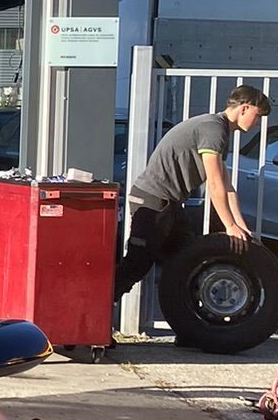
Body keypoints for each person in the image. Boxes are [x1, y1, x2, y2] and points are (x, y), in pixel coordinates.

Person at [113, 83, 269, 299]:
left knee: (188, 258)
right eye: (258, 115)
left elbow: (227, 186)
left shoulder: (219, 129)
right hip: (152, 200)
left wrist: (240, 226)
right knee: (138, 263)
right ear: (244, 108)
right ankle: (95, 320)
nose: (258, 123)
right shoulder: (213, 129)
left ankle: (189, 323)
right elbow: (214, 184)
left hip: (171, 202)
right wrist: (229, 225)